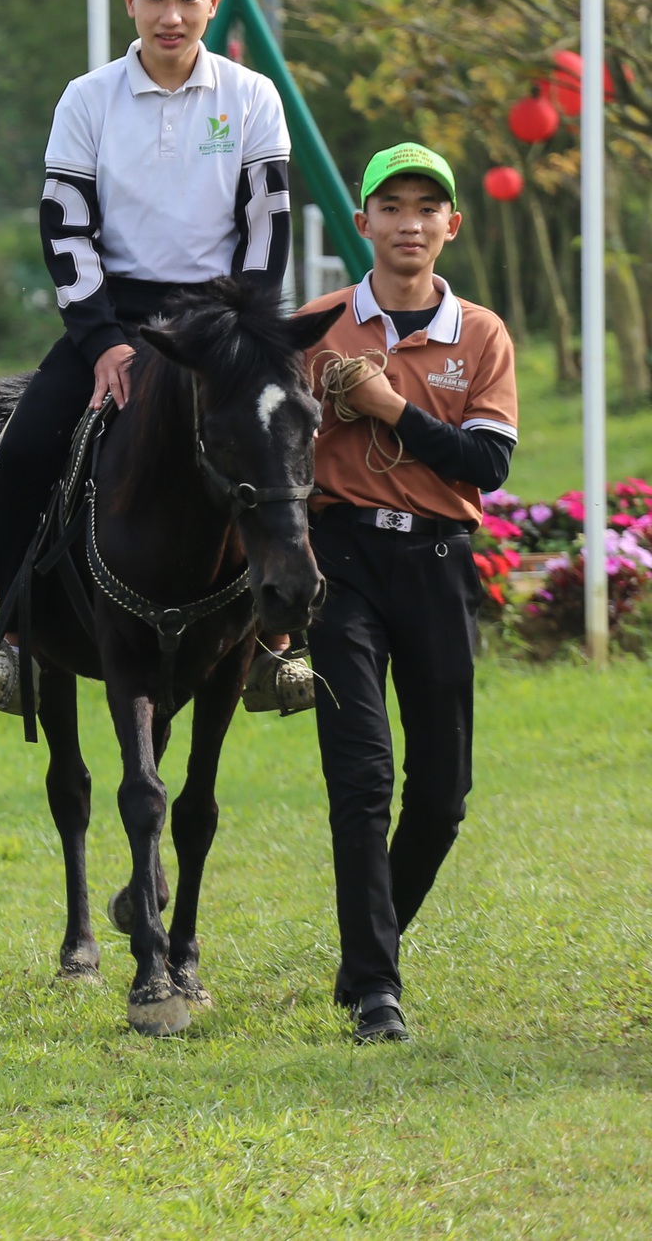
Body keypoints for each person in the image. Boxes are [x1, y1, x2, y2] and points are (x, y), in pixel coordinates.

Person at [0, 0, 295, 712]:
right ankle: (8, 641)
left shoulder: (252, 97)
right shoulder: (86, 98)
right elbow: (65, 226)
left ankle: (280, 645)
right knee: (22, 452)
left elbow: (267, 223)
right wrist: (102, 340)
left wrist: (238, 335)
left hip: (220, 316)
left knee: (288, 449)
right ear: (129, 0)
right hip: (113, 311)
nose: (170, 14)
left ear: (213, 3)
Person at [296, 144, 515, 1045]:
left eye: (429, 207)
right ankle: (378, 990)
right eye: (393, 206)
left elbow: (487, 465)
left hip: (436, 562)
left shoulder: (483, 333)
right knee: (362, 777)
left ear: (451, 225)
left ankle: (361, 958)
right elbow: (259, 447)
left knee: (443, 793)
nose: (411, 222)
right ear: (364, 223)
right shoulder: (310, 326)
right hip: (337, 560)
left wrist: (387, 408)